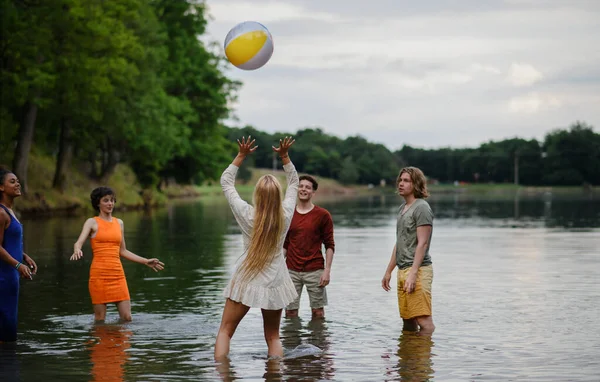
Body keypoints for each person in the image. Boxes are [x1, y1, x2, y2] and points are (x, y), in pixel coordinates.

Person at [214, 136, 299, 361]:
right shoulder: (286, 215)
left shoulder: (246, 214)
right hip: (274, 280)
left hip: (247, 278)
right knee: (273, 337)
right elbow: (295, 183)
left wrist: (241, 155)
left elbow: (226, 182)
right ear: (278, 196)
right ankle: (274, 374)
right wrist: (284, 156)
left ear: (257, 195)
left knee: (225, 331)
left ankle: (222, 373)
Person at [70, 186, 165, 322]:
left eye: (112, 200)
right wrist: (77, 249)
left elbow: (123, 251)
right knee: (100, 319)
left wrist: (145, 261)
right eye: (106, 200)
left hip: (117, 275)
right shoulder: (92, 222)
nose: (110, 204)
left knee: (127, 318)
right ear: (98, 203)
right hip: (99, 275)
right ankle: (103, 342)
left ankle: (120, 341)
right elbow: (78, 243)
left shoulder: (119, 223)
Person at [382, 166, 435, 335]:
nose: (401, 184)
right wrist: (389, 270)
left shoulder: (422, 207)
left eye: (406, 181)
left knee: (423, 320)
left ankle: (423, 360)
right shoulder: (402, 208)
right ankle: (408, 357)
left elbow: (423, 243)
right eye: (400, 180)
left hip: (418, 270)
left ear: (416, 184)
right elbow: (400, 242)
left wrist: (413, 273)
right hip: (403, 269)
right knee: (408, 319)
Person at [283, 175, 335, 319]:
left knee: (317, 312)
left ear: (313, 192)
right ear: (296, 190)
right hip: (291, 271)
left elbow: (329, 245)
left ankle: (317, 340)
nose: (303, 189)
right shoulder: (288, 213)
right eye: (301, 186)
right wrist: (278, 267)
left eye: (307, 187)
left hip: (315, 270)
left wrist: (327, 271)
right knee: (290, 312)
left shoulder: (323, 215)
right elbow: (285, 243)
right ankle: (292, 340)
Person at [0, 169, 37, 344]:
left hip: (11, 275)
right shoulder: (1, 213)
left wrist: (24, 256)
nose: (18, 184)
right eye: (12, 181)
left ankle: (8, 367)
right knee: (5, 325)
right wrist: (17, 265)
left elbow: (8, 242)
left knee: (9, 326)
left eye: (18, 181)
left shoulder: (10, 211)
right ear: (1, 187)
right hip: (3, 277)